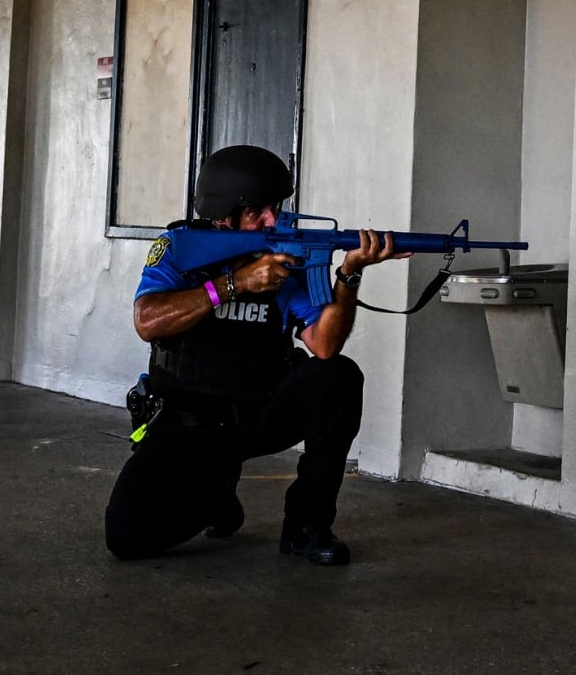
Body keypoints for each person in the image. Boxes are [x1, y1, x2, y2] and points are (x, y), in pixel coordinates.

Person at [104, 144, 409, 566]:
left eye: (275, 208)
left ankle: (307, 526)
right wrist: (235, 285)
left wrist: (349, 273)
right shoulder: (179, 248)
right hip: (188, 423)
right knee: (127, 538)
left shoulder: (284, 259)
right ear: (222, 214)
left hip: (258, 415)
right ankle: (215, 496)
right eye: (257, 211)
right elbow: (147, 321)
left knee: (337, 376)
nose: (272, 219)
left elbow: (324, 344)